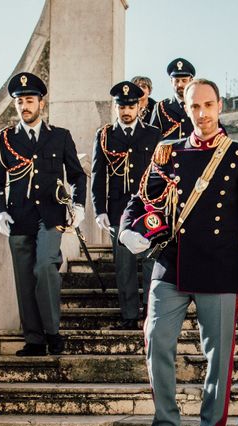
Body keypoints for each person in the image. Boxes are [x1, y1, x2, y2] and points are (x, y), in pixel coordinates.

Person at [120, 78, 238, 426]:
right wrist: (128, 229)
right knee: (156, 342)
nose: (201, 114)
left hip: (219, 266)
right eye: (194, 107)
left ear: (219, 106)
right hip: (170, 263)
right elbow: (142, 198)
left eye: (208, 105)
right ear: (184, 109)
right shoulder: (167, 154)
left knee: (218, 357)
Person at [0, 72, 86, 356]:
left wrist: (78, 205)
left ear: (41, 103)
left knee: (45, 267)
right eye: (20, 101)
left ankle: (53, 332)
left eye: (29, 100)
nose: (24, 106)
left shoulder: (60, 137)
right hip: (18, 218)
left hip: (51, 217)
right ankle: (33, 339)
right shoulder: (4, 139)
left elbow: (78, 176)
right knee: (24, 278)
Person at [91, 80, 162, 330]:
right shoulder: (105, 136)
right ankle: (129, 316)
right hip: (118, 210)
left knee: (152, 261)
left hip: (149, 209)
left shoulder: (153, 134)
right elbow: (98, 176)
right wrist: (99, 210)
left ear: (139, 107)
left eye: (130, 105)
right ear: (116, 107)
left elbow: (161, 173)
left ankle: (151, 313)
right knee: (124, 265)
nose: (126, 111)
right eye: (121, 106)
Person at [149, 58, 195, 140]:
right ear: (171, 81)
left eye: (184, 80)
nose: (180, 84)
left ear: (191, 81)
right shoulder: (160, 108)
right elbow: (151, 139)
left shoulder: (198, 106)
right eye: (176, 81)